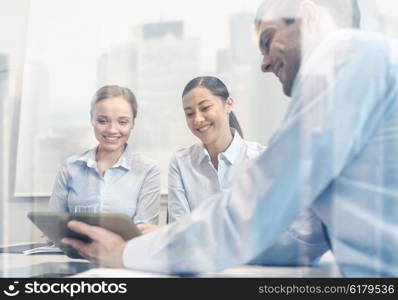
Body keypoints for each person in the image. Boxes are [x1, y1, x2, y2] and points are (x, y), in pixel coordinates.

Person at [63, 0, 398, 277]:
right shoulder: (363, 72)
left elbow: (248, 215)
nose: (264, 63)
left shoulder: (345, 55)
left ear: (306, 14)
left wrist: (125, 253)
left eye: (267, 40)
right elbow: (304, 238)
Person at [49, 85, 160, 225]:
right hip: (74, 247)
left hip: (127, 248)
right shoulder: (70, 167)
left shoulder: (147, 170)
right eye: (103, 121)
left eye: (123, 122)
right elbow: (53, 226)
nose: (112, 130)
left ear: (132, 123)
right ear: (92, 120)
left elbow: (144, 233)